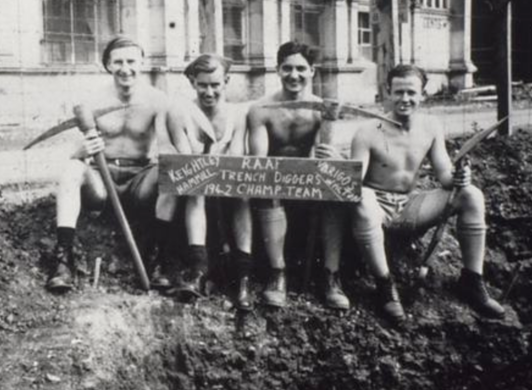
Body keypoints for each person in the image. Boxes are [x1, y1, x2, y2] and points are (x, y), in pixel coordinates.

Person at [350, 63, 505, 325]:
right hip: (377, 206)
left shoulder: (430, 126)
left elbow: (444, 175)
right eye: (398, 92)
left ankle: (472, 280)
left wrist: (459, 176)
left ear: (423, 94)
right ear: (387, 92)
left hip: (411, 205)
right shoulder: (367, 132)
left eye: (412, 92)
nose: (405, 99)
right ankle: (385, 286)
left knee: (471, 195)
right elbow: (353, 184)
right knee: (362, 198)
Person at [44, 35, 190, 292]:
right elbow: (74, 151)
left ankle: (159, 258)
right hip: (102, 181)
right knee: (72, 169)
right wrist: (83, 150)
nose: (126, 68)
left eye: (131, 61)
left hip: (139, 181)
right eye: (118, 62)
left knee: (171, 171)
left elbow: (166, 146)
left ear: (142, 62)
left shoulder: (157, 100)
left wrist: (166, 154)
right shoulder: (93, 101)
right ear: (108, 65)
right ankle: (63, 259)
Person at [246, 42, 348, 310]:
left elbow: (322, 157)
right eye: (287, 68)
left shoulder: (321, 109)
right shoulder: (261, 109)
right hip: (273, 184)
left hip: (308, 182)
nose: (294, 75)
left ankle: (330, 276)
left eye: (301, 68)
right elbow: (259, 161)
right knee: (267, 184)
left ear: (312, 71)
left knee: (335, 191)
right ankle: (277, 273)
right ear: (278, 70)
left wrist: (329, 143)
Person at [170, 54, 254, 310]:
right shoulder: (181, 113)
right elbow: (188, 161)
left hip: (226, 182)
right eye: (202, 85)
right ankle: (198, 269)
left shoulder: (237, 115)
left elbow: (236, 159)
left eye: (215, 85)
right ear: (193, 83)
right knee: (196, 188)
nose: (209, 92)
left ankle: (243, 276)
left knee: (242, 195)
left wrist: (220, 173)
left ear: (226, 82)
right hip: (197, 184)